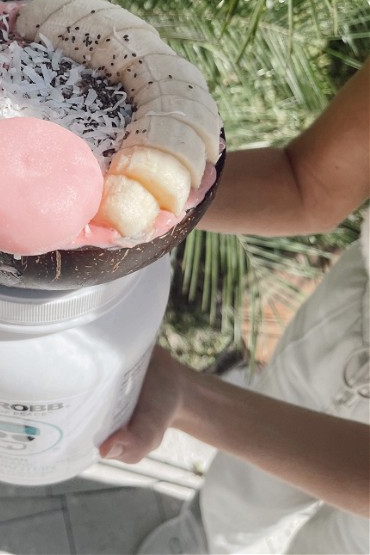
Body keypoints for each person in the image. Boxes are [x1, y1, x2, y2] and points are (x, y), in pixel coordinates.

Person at [100, 58, 370, 554]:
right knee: (239, 494)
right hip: (355, 318)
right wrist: (124, 202)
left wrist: (189, 399)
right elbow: (306, 183)